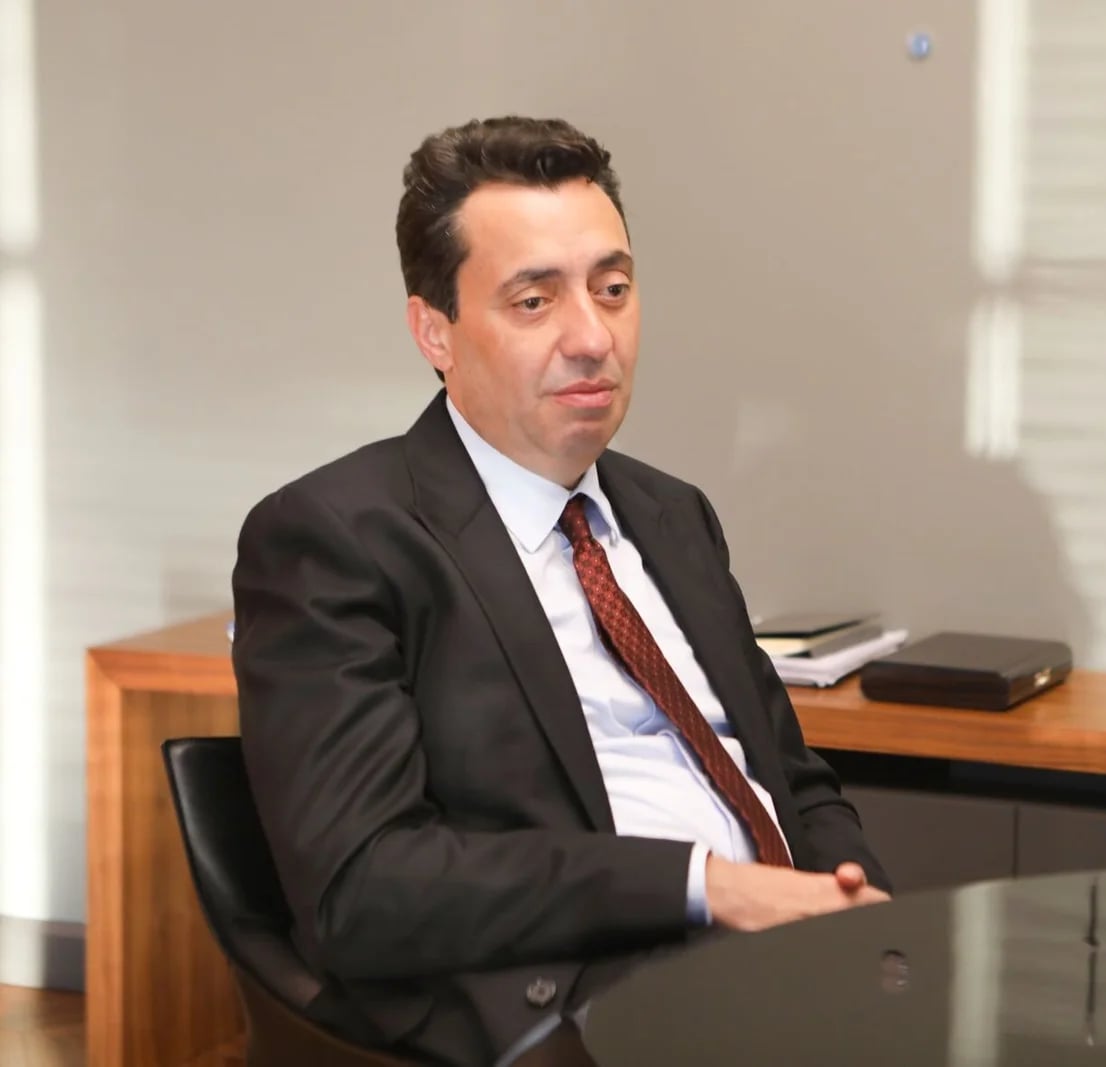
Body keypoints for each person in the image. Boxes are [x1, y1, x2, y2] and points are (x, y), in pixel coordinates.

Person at [231, 116, 891, 1067]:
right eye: (534, 301)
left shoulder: (673, 515)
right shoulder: (338, 538)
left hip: (783, 970)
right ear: (435, 331)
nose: (592, 337)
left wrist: (854, 899)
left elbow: (793, 779)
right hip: (575, 995)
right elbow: (366, 885)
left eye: (612, 290)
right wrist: (704, 884)